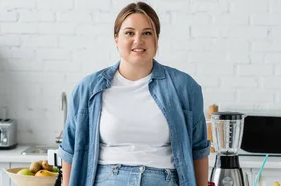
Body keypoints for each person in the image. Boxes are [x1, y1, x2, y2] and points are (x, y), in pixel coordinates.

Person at [58, 2, 210, 186]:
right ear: (116, 39)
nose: (138, 40)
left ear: (156, 39)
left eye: (147, 33)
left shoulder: (184, 87)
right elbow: (70, 150)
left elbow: (198, 150)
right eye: (129, 33)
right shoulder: (88, 88)